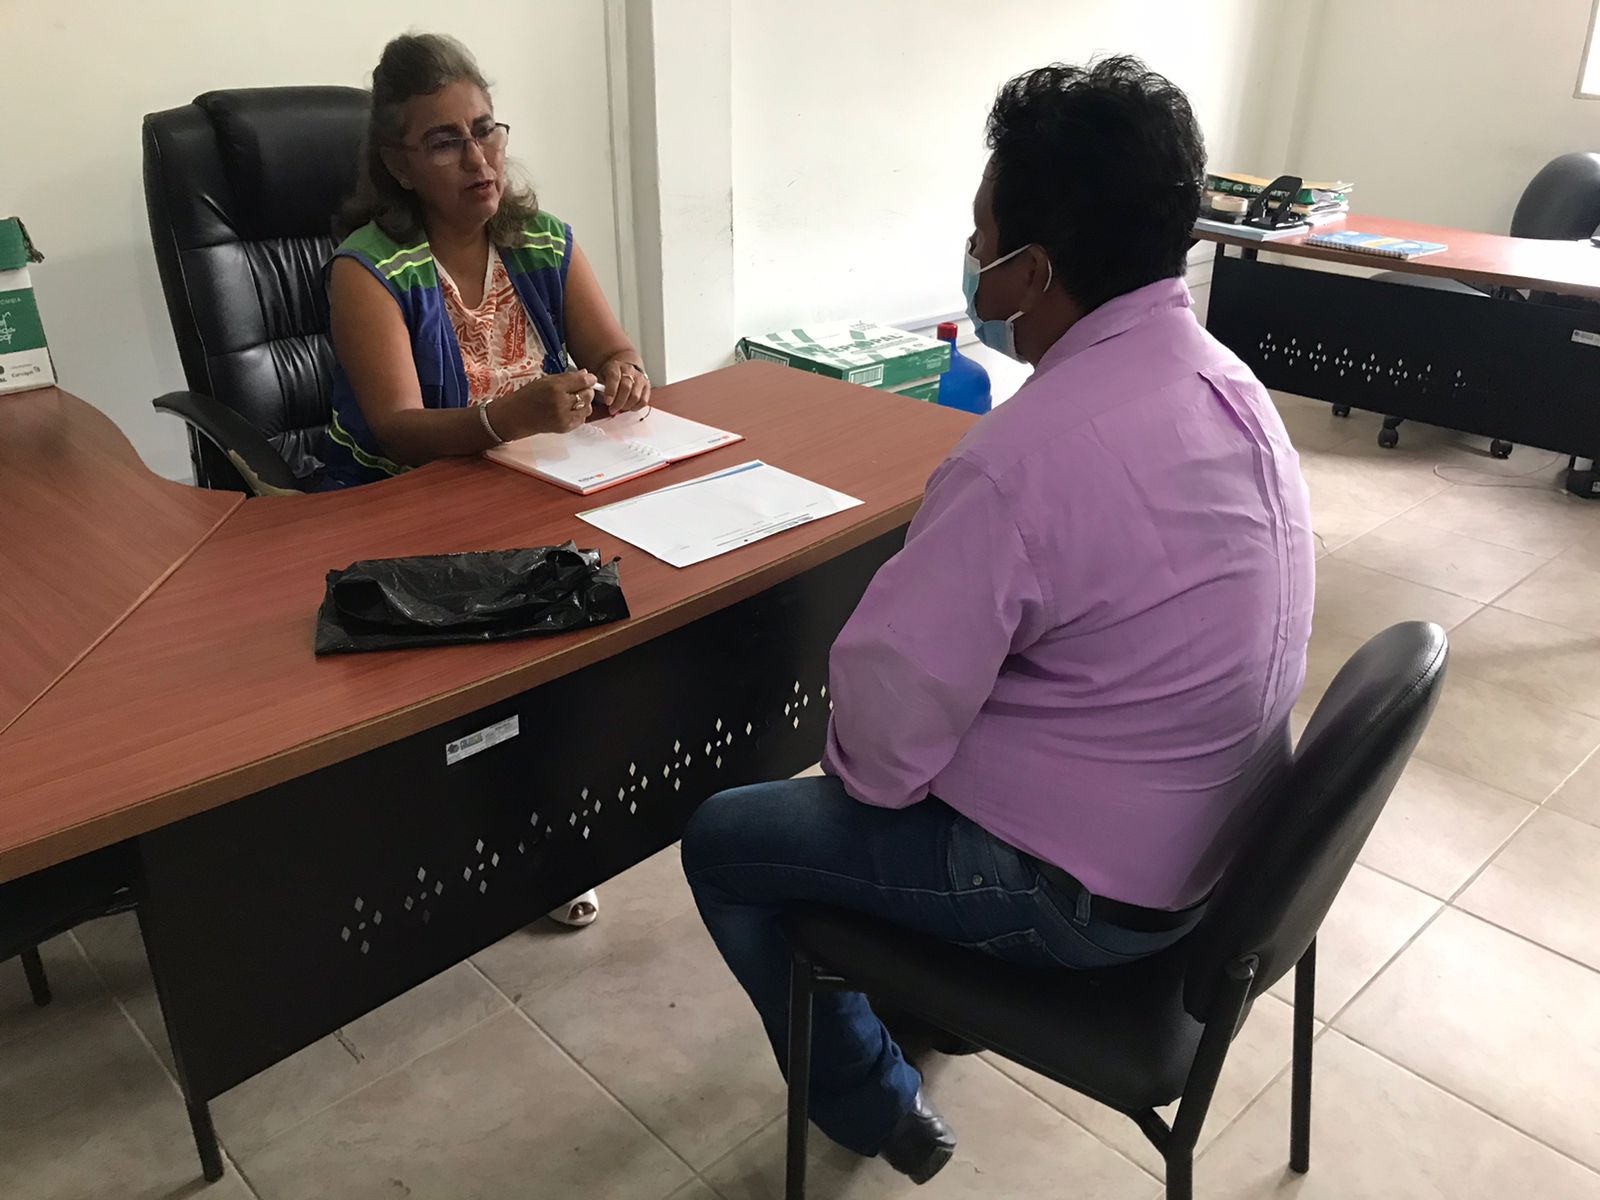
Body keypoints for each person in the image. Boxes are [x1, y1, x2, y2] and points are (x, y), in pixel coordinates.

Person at [681, 56, 1314, 1184]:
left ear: (1032, 271)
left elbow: (879, 764)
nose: (973, 260)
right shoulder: (1230, 388)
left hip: (1089, 900)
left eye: (982, 238)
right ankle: (925, 1003)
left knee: (729, 839)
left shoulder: (1017, 462)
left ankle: (873, 1102)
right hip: (1226, 856)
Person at [326, 32, 651, 926]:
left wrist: (624, 374)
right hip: (404, 502)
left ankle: (560, 814)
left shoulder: (542, 240)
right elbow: (395, 428)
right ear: (398, 164)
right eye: (445, 142)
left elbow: (613, 347)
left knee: (623, 601)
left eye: (485, 130)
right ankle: (496, 835)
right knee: (517, 641)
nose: (478, 159)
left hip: (534, 484)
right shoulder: (368, 269)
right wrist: (507, 418)